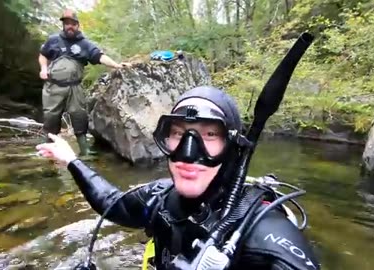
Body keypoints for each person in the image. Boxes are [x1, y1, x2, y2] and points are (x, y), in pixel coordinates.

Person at [36, 86, 321, 270]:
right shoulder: (159, 198)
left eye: (210, 135)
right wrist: (72, 160)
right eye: (177, 134)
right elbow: (113, 203)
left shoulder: (261, 230)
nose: (188, 154)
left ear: (233, 147)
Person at [38, 8, 131, 156]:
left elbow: (100, 57)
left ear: (77, 25)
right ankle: (46, 150)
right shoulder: (53, 40)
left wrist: (117, 65)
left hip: (74, 87)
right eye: (67, 23)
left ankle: (84, 150)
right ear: (63, 24)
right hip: (53, 87)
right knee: (50, 118)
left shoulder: (85, 44)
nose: (69, 26)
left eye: (72, 23)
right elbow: (43, 55)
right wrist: (43, 68)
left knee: (79, 116)